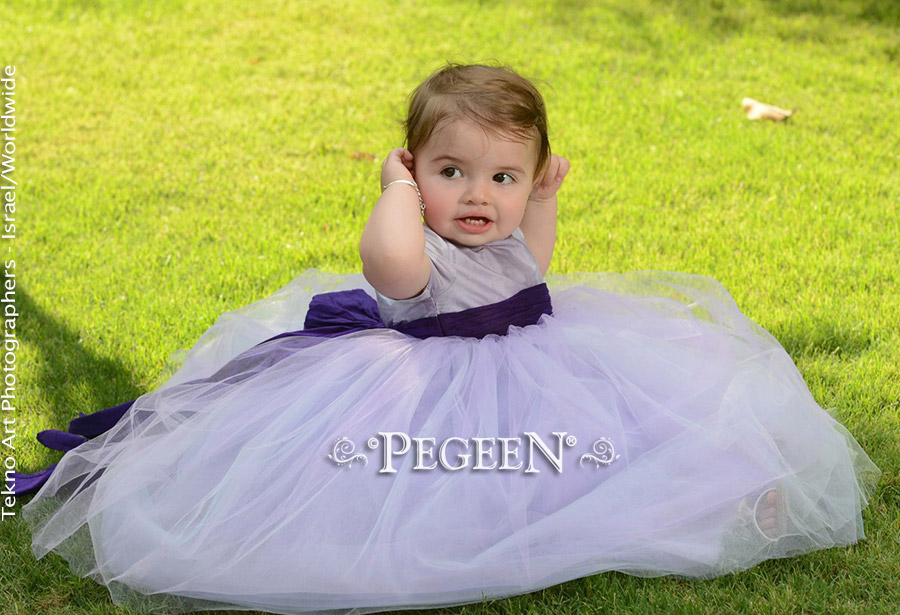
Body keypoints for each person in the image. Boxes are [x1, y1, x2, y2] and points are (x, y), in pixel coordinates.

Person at [16, 64, 880, 615]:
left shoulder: (504, 225)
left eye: (503, 176)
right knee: (461, 477)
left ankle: (725, 497)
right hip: (429, 387)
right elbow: (386, 266)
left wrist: (541, 200)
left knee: (633, 439)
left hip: (547, 363)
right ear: (416, 169)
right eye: (449, 171)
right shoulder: (416, 248)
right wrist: (393, 194)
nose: (478, 194)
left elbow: (529, 269)